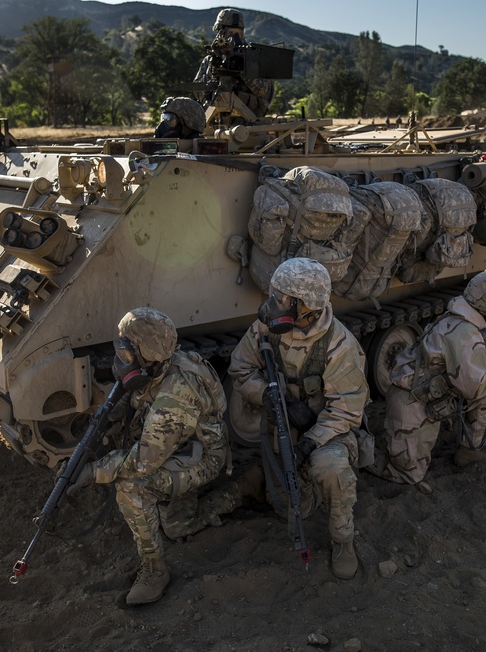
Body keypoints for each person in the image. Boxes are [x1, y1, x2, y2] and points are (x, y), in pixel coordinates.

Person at [189, 258, 369, 579]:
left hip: (326, 430)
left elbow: (347, 410)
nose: (274, 304)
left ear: (307, 309)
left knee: (331, 469)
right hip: (283, 425)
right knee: (284, 503)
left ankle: (342, 539)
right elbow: (240, 369)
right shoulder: (266, 327)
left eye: (284, 299)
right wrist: (266, 394)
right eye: (276, 295)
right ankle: (259, 485)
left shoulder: (340, 347)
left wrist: (310, 443)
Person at [65, 308, 228, 605]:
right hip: (177, 448)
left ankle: (155, 570)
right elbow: (137, 398)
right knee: (178, 525)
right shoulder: (158, 368)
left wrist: (92, 472)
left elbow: (143, 462)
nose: (120, 360)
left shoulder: (175, 395)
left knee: (132, 487)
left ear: (147, 355)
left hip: (201, 458)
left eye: (127, 354)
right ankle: (231, 492)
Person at [368, 271, 486, 491]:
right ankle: (358, 450)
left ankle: (469, 449)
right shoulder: (466, 334)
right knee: (410, 474)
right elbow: (474, 388)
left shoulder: (460, 314)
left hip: (429, 393)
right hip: (412, 400)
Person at [193, 8, 275, 123]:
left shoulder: (252, 58)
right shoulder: (210, 60)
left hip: (248, 123)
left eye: (238, 33)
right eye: (229, 33)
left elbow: (263, 90)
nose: (233, 38)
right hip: (213, 122)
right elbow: (198, 93)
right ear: (220, 33)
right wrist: (214, 75)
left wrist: (243, 69)